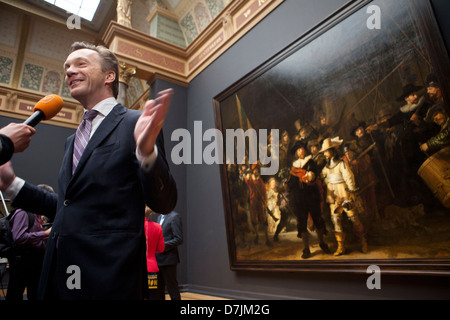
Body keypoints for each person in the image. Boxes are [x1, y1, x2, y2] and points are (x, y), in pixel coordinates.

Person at [0, 41, 177, 300]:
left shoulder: (136, 122)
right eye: (67, 66)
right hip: (57, 273)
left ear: (109, 75)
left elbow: (164, 201)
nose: (70, 71)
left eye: (81, 64)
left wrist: (146, 153)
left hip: (108, 276)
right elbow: (67, 206)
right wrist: (11, 184)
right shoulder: (72, 140)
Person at [319, 137, 367, 256]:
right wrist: (327, 183)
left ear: (333, 151)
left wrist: (351, 193)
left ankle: (363, 242)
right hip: (333, 196)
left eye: (327, 151)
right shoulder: (326, 167)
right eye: (324, 151)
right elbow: (323, 176)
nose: (325, 153)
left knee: (353, 218)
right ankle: (341, 247)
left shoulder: (341, 164)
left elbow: (349, 178)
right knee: (336, 220)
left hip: (344, 194)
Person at [6, 184, 53, 300]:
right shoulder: (23, 212)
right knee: (15, 293)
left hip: (34, 260)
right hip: (22, 260)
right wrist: (45, 233)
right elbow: (19, 237)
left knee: (35, 292)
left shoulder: (35, 215)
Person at [287, 141, 330, 258]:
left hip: (311, 196)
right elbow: (290, 183)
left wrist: (309, 176)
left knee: (317, 219)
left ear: (305, 151)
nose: (301, 151)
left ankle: (322, 243)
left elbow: (315, 174)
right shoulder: (294, 167)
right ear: (296, 153)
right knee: (302, 222)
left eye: (302, 149)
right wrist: (284, 186)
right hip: (300, 199)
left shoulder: (310, 162)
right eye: (298, 150)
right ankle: (306, 249)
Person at [152, 211, 183, 300]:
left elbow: (179, 239)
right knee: (158, 290)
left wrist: (161, 245)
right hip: (157, 260)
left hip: (168, 260)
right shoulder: (159, 217)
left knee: (172, 289)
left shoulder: (175, 216)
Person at [144, 206, 164, 300]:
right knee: (152, 295)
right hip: (152, 268)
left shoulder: (134, 227)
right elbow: (160, 249)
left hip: (136, 269)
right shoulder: (157, 227)